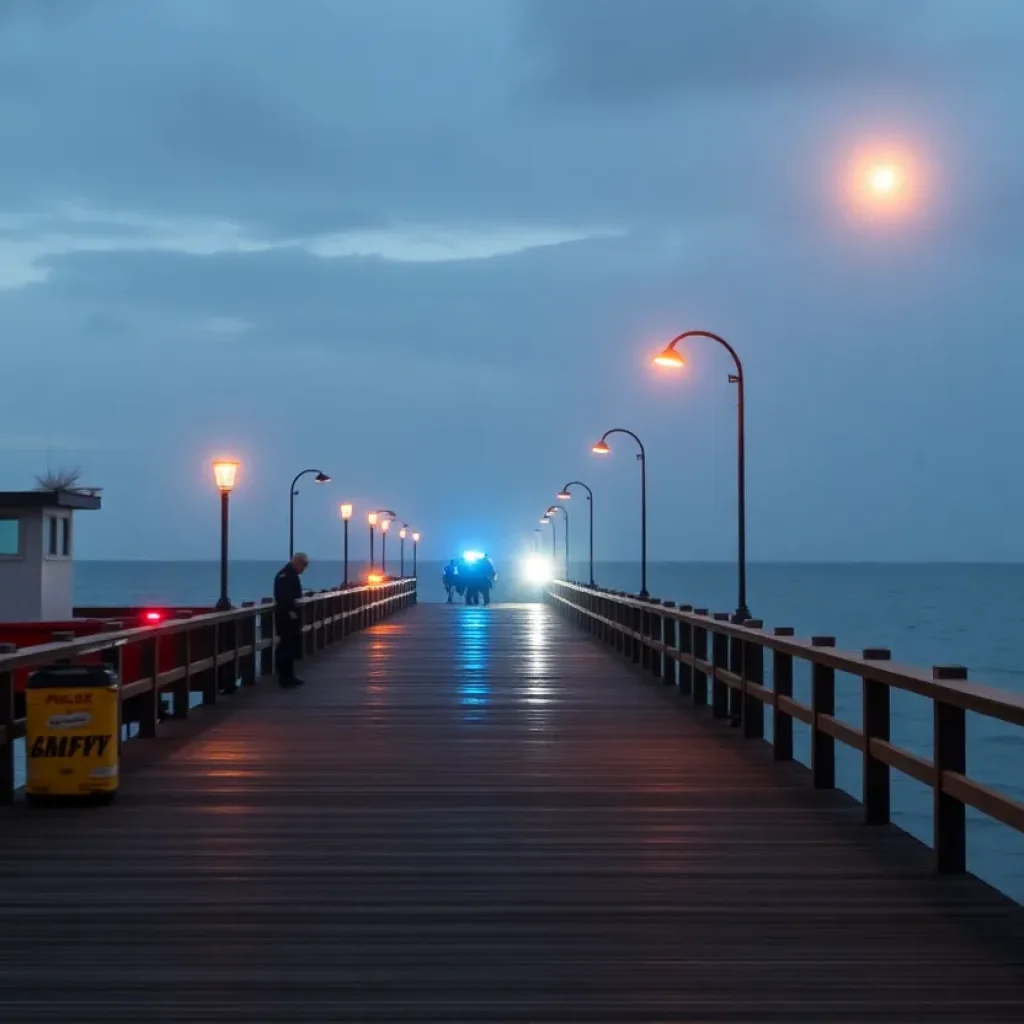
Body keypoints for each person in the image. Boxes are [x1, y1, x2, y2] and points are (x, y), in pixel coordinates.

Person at [274, 552, 309, 688]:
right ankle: (284, 678)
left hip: (291, 616)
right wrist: (291, 611)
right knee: (285, 647)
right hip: (286, 617)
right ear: (297, 562)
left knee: (290, 647)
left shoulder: (290, 574)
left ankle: (290, 676)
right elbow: (285, 597)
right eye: (304, 564)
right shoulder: (285, 575)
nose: (304, 568)